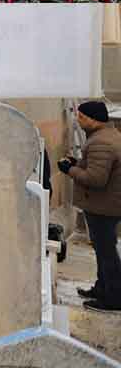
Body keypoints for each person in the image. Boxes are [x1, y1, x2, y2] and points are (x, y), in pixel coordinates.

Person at [61, 101, 121, 312]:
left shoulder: (100, 143)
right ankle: (102, 288)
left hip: (103, 207)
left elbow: (95, 179)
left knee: (106, 254)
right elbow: (97, 166)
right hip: (106, 205)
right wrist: (77, 163)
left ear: (94, 119)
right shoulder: (105, 137)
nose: (79, 120)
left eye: (82, 117)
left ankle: (113, 299)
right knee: (103, 251)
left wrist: (69, 170)